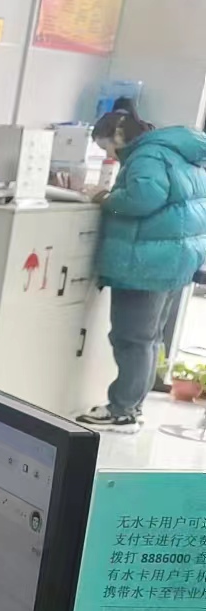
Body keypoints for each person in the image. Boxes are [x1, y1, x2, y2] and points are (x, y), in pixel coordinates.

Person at [76, 101, 206, 430]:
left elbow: (143, 198)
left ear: (118, 135)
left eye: (105, 146)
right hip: (171, 260)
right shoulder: (171, 151)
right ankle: (132, 407)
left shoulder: (146, 156)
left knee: (132, 339)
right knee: (148, 339)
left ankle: (121, 410)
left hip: (145, 264)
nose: (108, 154)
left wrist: (104, 198)